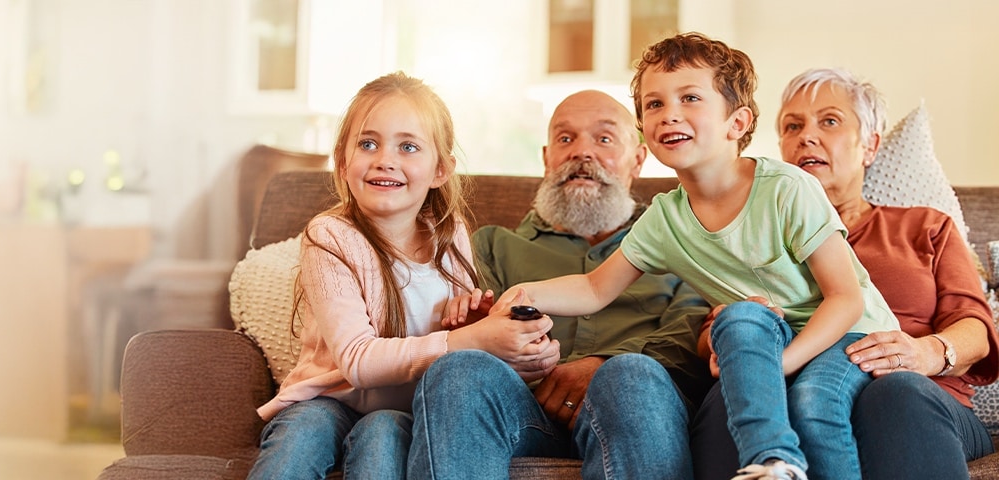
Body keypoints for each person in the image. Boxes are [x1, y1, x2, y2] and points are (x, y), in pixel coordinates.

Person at [490, 33, 902, 480]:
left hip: (853, 333)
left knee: (814, 404)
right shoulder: (666, 218)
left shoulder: (787, 189)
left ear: (737, 122)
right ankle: (772, 463)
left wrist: (777, 366)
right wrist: (525, 292)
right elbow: (593, 289)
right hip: (768, 333)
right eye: (654, 104)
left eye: (689, 98)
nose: (670, 114)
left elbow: (846, 299)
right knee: (738, 319)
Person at [691, 68, 999, 479]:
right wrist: (725, 341)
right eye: (793, 126)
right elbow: (711, 332)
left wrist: (927, 353)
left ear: (869, 145)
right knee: (732, 400)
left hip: (916, 394)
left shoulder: (925, 226)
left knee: (895, 393)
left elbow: (975, 329)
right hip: (783, 396)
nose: (807, 136)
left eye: (830, 121)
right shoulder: (746, 233)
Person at [248, 72, 557, 480]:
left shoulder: (450, 234)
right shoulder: (329, 236)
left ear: (440, 171)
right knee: (300, 434)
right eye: (367, 143)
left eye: (408, 146)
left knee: (382, 434)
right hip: (329, 398)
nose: (384, 159)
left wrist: (509, 344)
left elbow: (457, 352)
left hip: (405, 410)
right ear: (343, 160)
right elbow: (357, 361)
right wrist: (466, 338)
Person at [403, 90, 711, 480]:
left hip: (638, 404)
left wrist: (603, 366)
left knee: (630, 376)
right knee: (460, 371)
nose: (582, 153)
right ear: (546, 158)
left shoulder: (679, 239)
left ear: (638, 160)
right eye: (566, 139)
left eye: (603, 139)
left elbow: (689, 335)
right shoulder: (492, 246)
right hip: (526, 411)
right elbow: (477, 339)